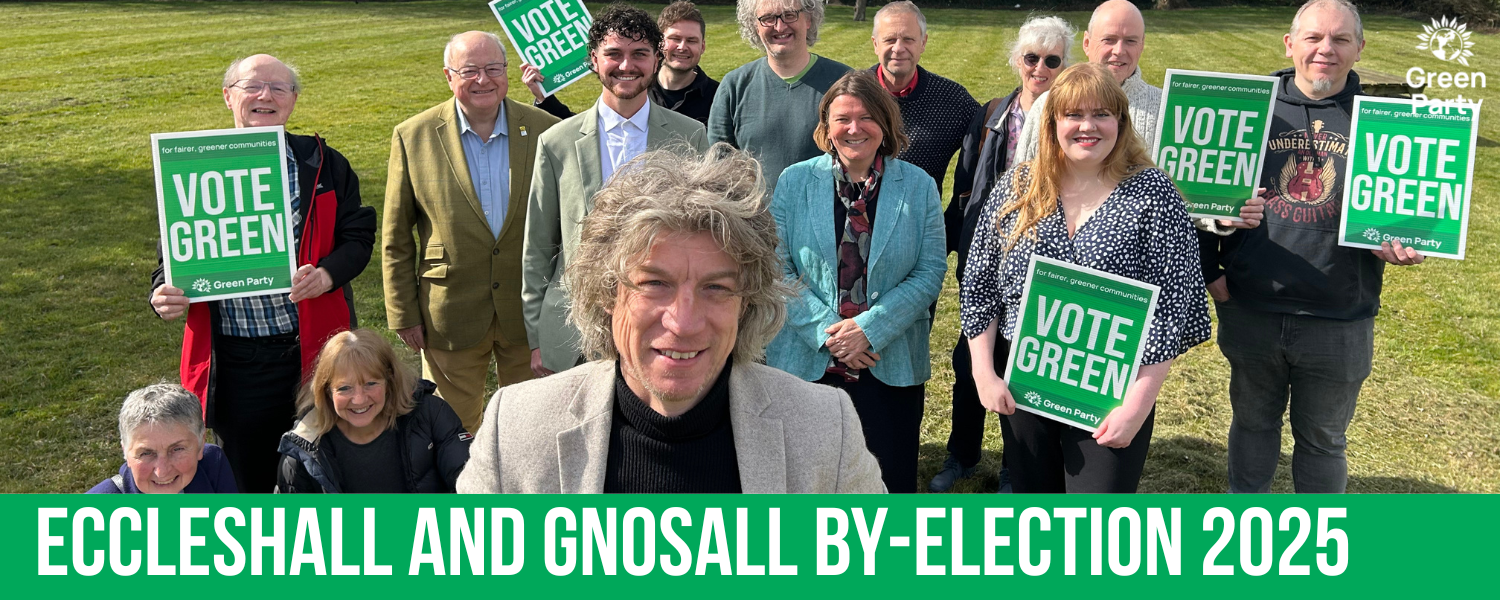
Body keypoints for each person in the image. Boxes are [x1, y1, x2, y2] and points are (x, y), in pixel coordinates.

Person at [457, 144, 886, 494]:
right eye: (654, 284)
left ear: (747, 303)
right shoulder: (514, 429)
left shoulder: (825, 429)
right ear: (608, 294)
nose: (683, 322)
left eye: (716, 287)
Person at [1199, 0, 1423, 494]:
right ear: (1290, 44)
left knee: (1323, 440)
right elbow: (1197, 195)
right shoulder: (1247, 110)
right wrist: (1213, 274)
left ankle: (1320, 550)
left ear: (1360, 48)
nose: (1326, 49)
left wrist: (1410, 241)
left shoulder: (1388, 123)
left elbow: (1413, 209)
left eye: (1341, 40)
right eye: (1314, 38)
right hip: (1253, 305)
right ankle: (1246, 531)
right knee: (1253, 426)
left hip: (1340, 316)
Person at [961, 63, 1211, 493]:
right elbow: (980, 284)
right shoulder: (1017, 188)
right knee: (1034, 515)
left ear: (1121, 121)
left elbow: (1173, 310)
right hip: (1026, 383)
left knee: (1096, 528)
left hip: (1112, 389)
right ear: (1053, 122)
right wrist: (984, 373)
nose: (1087, 126)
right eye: (1074, 115)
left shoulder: (1153, 194)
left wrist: (1136, 407)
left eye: (1101, 114)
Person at [148, 54, 376, 493]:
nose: (265, 96)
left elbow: (358, 236)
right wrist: (163, 294)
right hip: (236, 361)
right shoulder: (195, 164)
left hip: (315, 355)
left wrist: (328, 275)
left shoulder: (324, 162)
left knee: (325, 469)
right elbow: (169, 261)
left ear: (293, 100)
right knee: (247, 477)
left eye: (279, 88)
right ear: (228, 96)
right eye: (253, 86)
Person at [767, 72, 946, 494]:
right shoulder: (794, 181)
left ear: (884, 124)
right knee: (803, 484)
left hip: (888, 361)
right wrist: (830, 334)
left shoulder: (918, 186)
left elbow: (930, 270)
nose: (853, 128)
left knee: (887, 483)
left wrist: (869, 329)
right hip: (807, 362)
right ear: (826, 127)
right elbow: (775, 268)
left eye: (866, 117)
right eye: (842, 118)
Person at [382, 32, 561, 434]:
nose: (483, 80)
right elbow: (396, 236)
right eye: (469, 71)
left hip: (528, 307)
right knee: (452, 432)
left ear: (507, 73)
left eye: (493, 69)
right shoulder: (413, 135)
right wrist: (403, 312)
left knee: (530, 425)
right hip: (450, 310)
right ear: (449, 76)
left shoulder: (546, 130)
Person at [524, 3, 709, 379]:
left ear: (656, 60)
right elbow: (538, 247)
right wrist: (536, 334)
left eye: (639, 54)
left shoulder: (691, 135)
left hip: (663, 320)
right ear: (594, 60)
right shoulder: (556, 143)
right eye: (614, 54)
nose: (627, 65)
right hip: (574, 326)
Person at [933, 15, 1075, 493]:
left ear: (1064, 65)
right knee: (970, 359)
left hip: (1047, 262)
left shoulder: (1072, 118)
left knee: (1027, 369)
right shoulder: (993, 113)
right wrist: (966, 243)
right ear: (1017, 60)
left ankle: (1019, 466)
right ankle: (963, 454)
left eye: (1052, 60)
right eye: (1031, 57)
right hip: (989, 253)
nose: (1040, 68)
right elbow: (967, 184)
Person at [276, 330, 470, 493]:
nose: (359, 399)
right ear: (326, 390)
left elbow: (474, 483)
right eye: (344, 388)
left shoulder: (432, 414)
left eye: (371, 384)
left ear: (390, 381)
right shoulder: (303, 447)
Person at [708, 0, 852, 192]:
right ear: (755, 26)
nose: (780, 26)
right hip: (756, 219)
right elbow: (718, 169)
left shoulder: (843, 82)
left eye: (790, 15)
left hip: (828, 216)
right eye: (768, 18)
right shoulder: (734, 86)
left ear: (808, 18)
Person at [524, 1, 720, 126]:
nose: (682, 47)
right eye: (675, 39)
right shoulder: (632, 82)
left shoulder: (720, 97)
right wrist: (544, 98)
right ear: (659, 44)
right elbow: (589, 131)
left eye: (691, 40)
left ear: (702, 46)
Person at [1011, 0, 1157, 164]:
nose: (1119, 50)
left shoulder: (1165, 108)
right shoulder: (1047, 104)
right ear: (1086, 43)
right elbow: (1021, 182)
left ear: (1142, 44)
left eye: (1130, 41)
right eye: (1109, 39)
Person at [867, 1, 979, 193]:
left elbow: (991, 135)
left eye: (908, 39)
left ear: (923, 43)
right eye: (890, 39)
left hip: (921, 217)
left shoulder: (952, 99)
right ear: (876, 44)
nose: (898, 48)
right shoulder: (852, 94)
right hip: (858, 217)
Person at [89, 384, 237, 494]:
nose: (162, 472)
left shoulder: (213, 464)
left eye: (177, 449)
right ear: (125, 452)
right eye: (146, 453)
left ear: (200, 444)